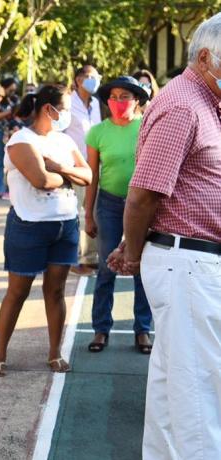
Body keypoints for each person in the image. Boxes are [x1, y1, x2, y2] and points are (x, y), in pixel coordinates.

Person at [108, 14, 221, 458]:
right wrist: (132, 253)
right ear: (208, 57)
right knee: (198, 396)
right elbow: (141, 197)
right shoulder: (184, 106)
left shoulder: (205, 102)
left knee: (176, 391)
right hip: (188, 262)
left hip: (190, 261)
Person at [0, 84, 92, 377]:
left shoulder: (63, 142)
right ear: (49, 109)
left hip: (65, 226)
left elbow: (88, 174)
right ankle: (0, 354)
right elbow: (40, 180)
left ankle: (54, 354)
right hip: (28, 227)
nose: (69, 114)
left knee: (56, 291)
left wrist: (60, 169)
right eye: (67, 108)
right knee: (18, 292)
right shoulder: (21, 140)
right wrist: (68, 176)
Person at [84, 77, 152, 354]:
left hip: (143, 204)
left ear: (136, 100)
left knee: (141, 267)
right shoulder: (97, 132)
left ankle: (143, 330)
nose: (118, 102)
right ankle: (101, 328)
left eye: (124, 96)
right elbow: (93, 176)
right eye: (113, 97)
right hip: (109, 205)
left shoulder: (147, 127)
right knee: (106, 267)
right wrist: (88, 214)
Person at [64, 64, 102, 275]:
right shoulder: (68, 102)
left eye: (97, 77)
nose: (94, 81)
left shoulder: (96, 103)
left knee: (92, 210)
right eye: (89, 77)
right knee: (75, 212)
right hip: (74, 166)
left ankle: (90, 257)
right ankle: (73, 258)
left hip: (94, 166)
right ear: (78, 80)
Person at [0, 78, 20, 199]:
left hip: (12, 132)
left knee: (12, 161)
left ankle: (11, 189)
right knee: (0, 161)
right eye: (10, 89)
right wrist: (8, 112)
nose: (12, 91)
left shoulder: (15, 99)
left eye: (14, 89)